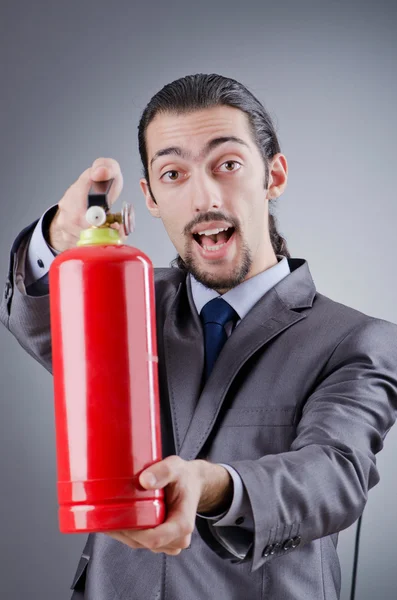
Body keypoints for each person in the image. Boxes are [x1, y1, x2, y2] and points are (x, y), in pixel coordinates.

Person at [1, 73, 397, 600]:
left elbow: (334, 474)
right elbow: (38, 319)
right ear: (150, 198)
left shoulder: (357, 340)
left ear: (274, 175)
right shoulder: (125, 297)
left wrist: (214, 487)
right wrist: (59, 239)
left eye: (227, 165)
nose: (203, 195)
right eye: (173, 174)